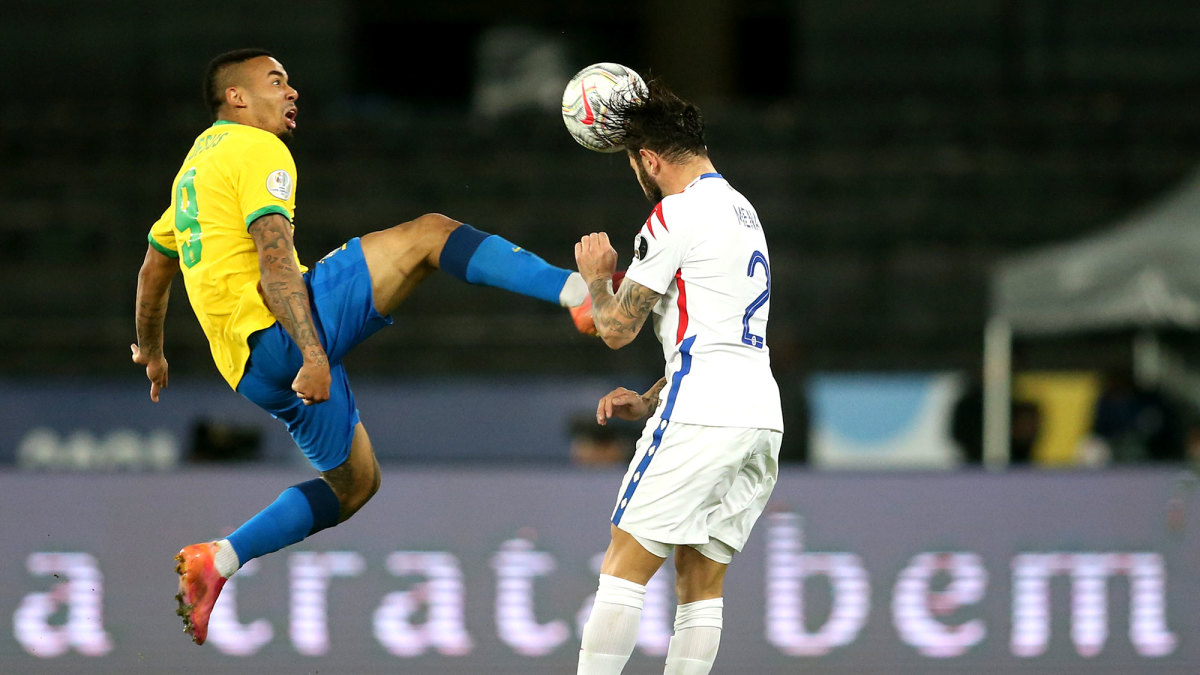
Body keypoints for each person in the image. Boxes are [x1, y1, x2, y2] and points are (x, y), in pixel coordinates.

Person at [130, 48, 590, 646]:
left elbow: (153, 269)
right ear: (236, 98)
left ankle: (218, 561)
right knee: (430, 235)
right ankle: (578, 294)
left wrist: (152, 350)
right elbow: (274, 257)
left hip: (248, 372)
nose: (292, 91)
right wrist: (313, 355)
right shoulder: (256, 148)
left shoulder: (194, 170)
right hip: (283, 338)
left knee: (355, 485)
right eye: (276, 81)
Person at [571, 78, 784, 674]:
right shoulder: (744, 212)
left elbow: (616, 329)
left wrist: (597, 276)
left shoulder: (675, 213)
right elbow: (720, 334)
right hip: (760, 416)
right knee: (700, 581)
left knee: (624, 565)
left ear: (649, 159)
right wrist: (651, 398)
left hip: (702, 412)